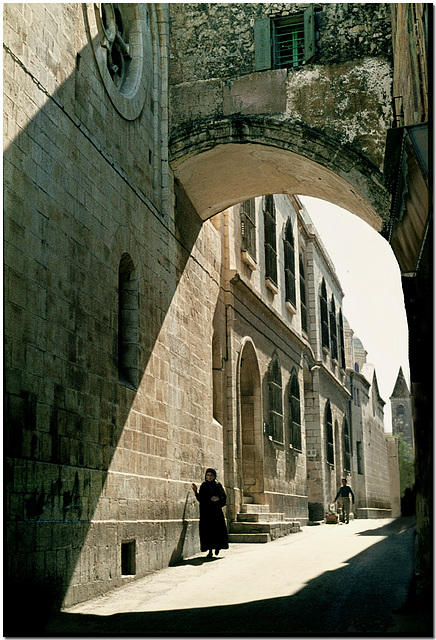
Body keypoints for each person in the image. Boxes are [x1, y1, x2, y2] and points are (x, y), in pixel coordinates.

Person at [191, 468, 229, 558]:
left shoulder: (218, 485)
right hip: (206, 513)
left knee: (216, 531)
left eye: (211, 475)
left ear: (214, 476)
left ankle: (217, 547)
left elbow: (224, 497)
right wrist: (195, 492)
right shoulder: (204, 485)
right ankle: (210, 551)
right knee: (208, 532)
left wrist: (217, 499)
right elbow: (201, 498)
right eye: (208, 475)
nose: (209, 477)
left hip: (216, 513)